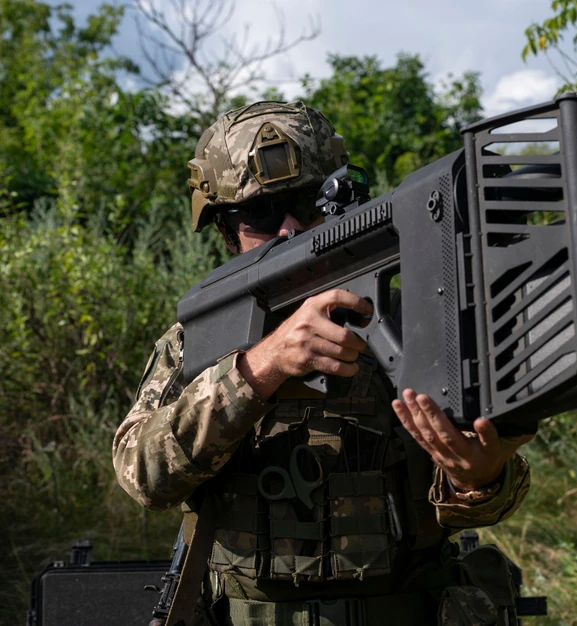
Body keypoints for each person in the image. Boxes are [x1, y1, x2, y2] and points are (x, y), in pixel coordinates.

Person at [113, 101, 533, 625]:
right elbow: (143, 476)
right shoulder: (195, 343)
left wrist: (479, 480)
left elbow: (490, 502)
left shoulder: (414, 318)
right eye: (262, 214)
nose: (290, 228)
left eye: (309, 202)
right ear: (226, 230)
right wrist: (261, 368)